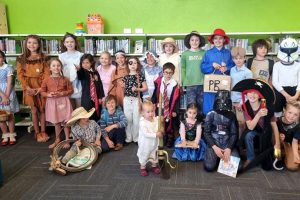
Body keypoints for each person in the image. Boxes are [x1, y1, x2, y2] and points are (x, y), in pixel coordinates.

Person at [232, 79, 280, 171]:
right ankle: (250, 158)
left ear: (259, 96)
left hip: (266, 131)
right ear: (246, 94)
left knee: (267, 166)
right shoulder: (245, 106)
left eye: (255, 93)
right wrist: (258, 115)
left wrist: (277, 143)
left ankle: (265, 155)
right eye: (250, 92)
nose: (252, 95)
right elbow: (250, 127)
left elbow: (274, 125)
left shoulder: (268, 106)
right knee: (248, 135)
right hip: (254, 130)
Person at [17, 34, 50, 142]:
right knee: (34, 110)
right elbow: (20, 75)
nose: (32, 45)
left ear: (39, 44)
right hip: (29, 87)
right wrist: (27, 88)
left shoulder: (44, 57)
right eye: (29, 42)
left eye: (35, 43)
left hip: (41, 86)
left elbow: (47, 73)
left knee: (42, 109)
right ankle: (37, 132)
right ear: (26, 44)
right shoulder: (21, 58)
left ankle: (43, 131)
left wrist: (41, 88)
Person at [203, 90, 241, 172]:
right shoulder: (210, 114)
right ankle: (216, 157)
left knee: (238, 168)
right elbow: (206, 132)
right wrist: (214, 147)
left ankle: (222, 157)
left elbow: (234, 133)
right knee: (209, 167)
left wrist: (229, 148)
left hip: (227, 142)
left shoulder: (232, 115)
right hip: (214, 141)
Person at [40, 58, 73, 149]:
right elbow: (42, 91)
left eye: (58, 65)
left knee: (66, 121)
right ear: (50, 68)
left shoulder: (65, 79)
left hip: (63, 101)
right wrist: (48, 94)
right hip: (52, 102)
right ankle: (57, 139)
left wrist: (62, 93)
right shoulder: (46, 80)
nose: (56, 67)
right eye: (53, 66)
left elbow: (70, 90)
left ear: (61, 67)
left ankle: (67, 140)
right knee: (56, 122)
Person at [201, 28, 235, 115]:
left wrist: (226, 68)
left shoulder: (228, 53)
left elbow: (234, 67)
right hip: (210, 84)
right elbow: (203, 68)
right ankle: (209, 124)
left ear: (224, 40)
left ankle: (222, 126)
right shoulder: (208, 53)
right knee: (209, 106)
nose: (218, 40)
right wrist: (211, 65)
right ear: (212, 40)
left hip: (224, 84)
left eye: (220, 38)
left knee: (223, 105)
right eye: (215, 38)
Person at [152, 62, 180, 147]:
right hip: (160, 105)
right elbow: (155, 93)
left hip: (170, 106)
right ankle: (162, 137)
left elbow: (177, 99)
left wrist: (175, 110)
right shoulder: (159, 81)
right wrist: (153, 102)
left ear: (173, 73)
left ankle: (170, 138)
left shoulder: (174, 84)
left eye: (170, 72)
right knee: (161, 122)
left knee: (169, 123)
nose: (168, 74)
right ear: (163, 72)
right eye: (166, 72)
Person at [272, 38, 300, 117]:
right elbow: (275, 82)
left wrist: (296, 96)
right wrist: (287, 96)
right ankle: (278, 128)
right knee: (278, 111)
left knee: (293, 112)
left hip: (294, 91)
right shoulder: (276, 65)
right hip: (280, 91)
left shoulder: (298, 65)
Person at [123, 57, 147, 143]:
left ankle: (136, 137)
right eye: (130, 63)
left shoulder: (140, 76)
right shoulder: (125, 77)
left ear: (138, 65)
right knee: (128, 119)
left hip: (136, 99)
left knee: (137, 119)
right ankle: (129, 137)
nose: (133, 65)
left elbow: (145, 88)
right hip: (126, 100)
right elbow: (123, 89)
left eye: (135, 63)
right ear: (127, 65)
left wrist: (137, 89)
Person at [230, 47, 253, 136]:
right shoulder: (232, 70)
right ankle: (234, 143)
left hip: (241, 101)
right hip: (232, 101)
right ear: (233, 59)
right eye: (236, 58)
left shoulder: (248, 72)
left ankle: (241, 144)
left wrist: (241, 102)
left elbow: (249, 90)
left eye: (240, 58)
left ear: (244, 58)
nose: (238, 60)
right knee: (232, 123)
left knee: (241, 123)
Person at [181, 31, 206, 113]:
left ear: (200, 41)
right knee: (191, 106)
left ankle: (200, 124)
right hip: (190, 84)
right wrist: (183, 81)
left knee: (201, 105)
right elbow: (183, 68)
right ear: (189, 41)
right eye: (192, 40)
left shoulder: (204, 53)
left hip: (202, 83)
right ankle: (190, 124)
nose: (194, 42)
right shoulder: (185, 54)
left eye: (197, 40)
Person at [137, 101, 163, 177]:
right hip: (145, 144)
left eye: (152, 111)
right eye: (148, 112)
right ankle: (143, 167)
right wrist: (156, 134)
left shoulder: (155, 119)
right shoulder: (142, 122)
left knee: (154, 154)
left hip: (154, 143)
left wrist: (161, 120)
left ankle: (154, 165)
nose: (151, 114)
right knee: (145, 155)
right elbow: (146, 134)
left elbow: (159, 121)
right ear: (143, 113)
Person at [77, 54, 105, 121]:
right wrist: (78, 70)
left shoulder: (95, 73)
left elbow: (100, 85)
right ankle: (88, 130)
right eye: (83, 63)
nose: (85, 64)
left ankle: (96, 129)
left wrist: (100, 97)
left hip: (96, 99)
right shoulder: (83, 72)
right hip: (87, 99)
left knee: (96, 115)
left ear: (91, 63)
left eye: (87, 62)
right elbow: (80, 76)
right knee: (87, 116)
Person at [58, 32, 83, 108]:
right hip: (66, 82)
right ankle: (72, 120)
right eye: (67, 42)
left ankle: (79, 119)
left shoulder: (81, 55)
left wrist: (79, 68)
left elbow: (84, 69)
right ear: (64, 44)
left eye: (72, 42)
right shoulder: (61, 56)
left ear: (75, 43)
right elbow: (59, 69)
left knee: (79, 104)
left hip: (78, 82)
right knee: (70, 105)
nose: (69, 44)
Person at [0, 50, 20, 145]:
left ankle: (12, 134)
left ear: (3, 58)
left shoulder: (8, 68)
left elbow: (9, 83)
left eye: (0, 57)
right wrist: (3, 96)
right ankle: (5, 135)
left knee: (10, 115)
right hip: (1, 94)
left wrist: (6, 96)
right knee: (1, 116)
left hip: (8, 92)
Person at [277, 101, 300, 170]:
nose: (291, 116)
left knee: (292, 167)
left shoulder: (298, 126)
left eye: (295, 114)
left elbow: (294, 141)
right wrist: (278, 135)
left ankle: (294, 152)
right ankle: (280, 157)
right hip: (280, 142)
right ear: (284, 110)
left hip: (291, 143)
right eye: (290, 112)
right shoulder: (277, 121)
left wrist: (296, 155)